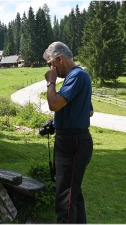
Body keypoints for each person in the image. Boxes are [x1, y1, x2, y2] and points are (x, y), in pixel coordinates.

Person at [43, 41, 94, 223]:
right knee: (73, 192)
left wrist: (50, 82)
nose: (51, 68)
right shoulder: (79, 77)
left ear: (59, 59)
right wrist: (59, 121)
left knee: (65, 196)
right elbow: (88, 111)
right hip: (75, 139)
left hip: (72, 142)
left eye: (51, 64)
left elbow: (54, 104)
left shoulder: (76, 76)